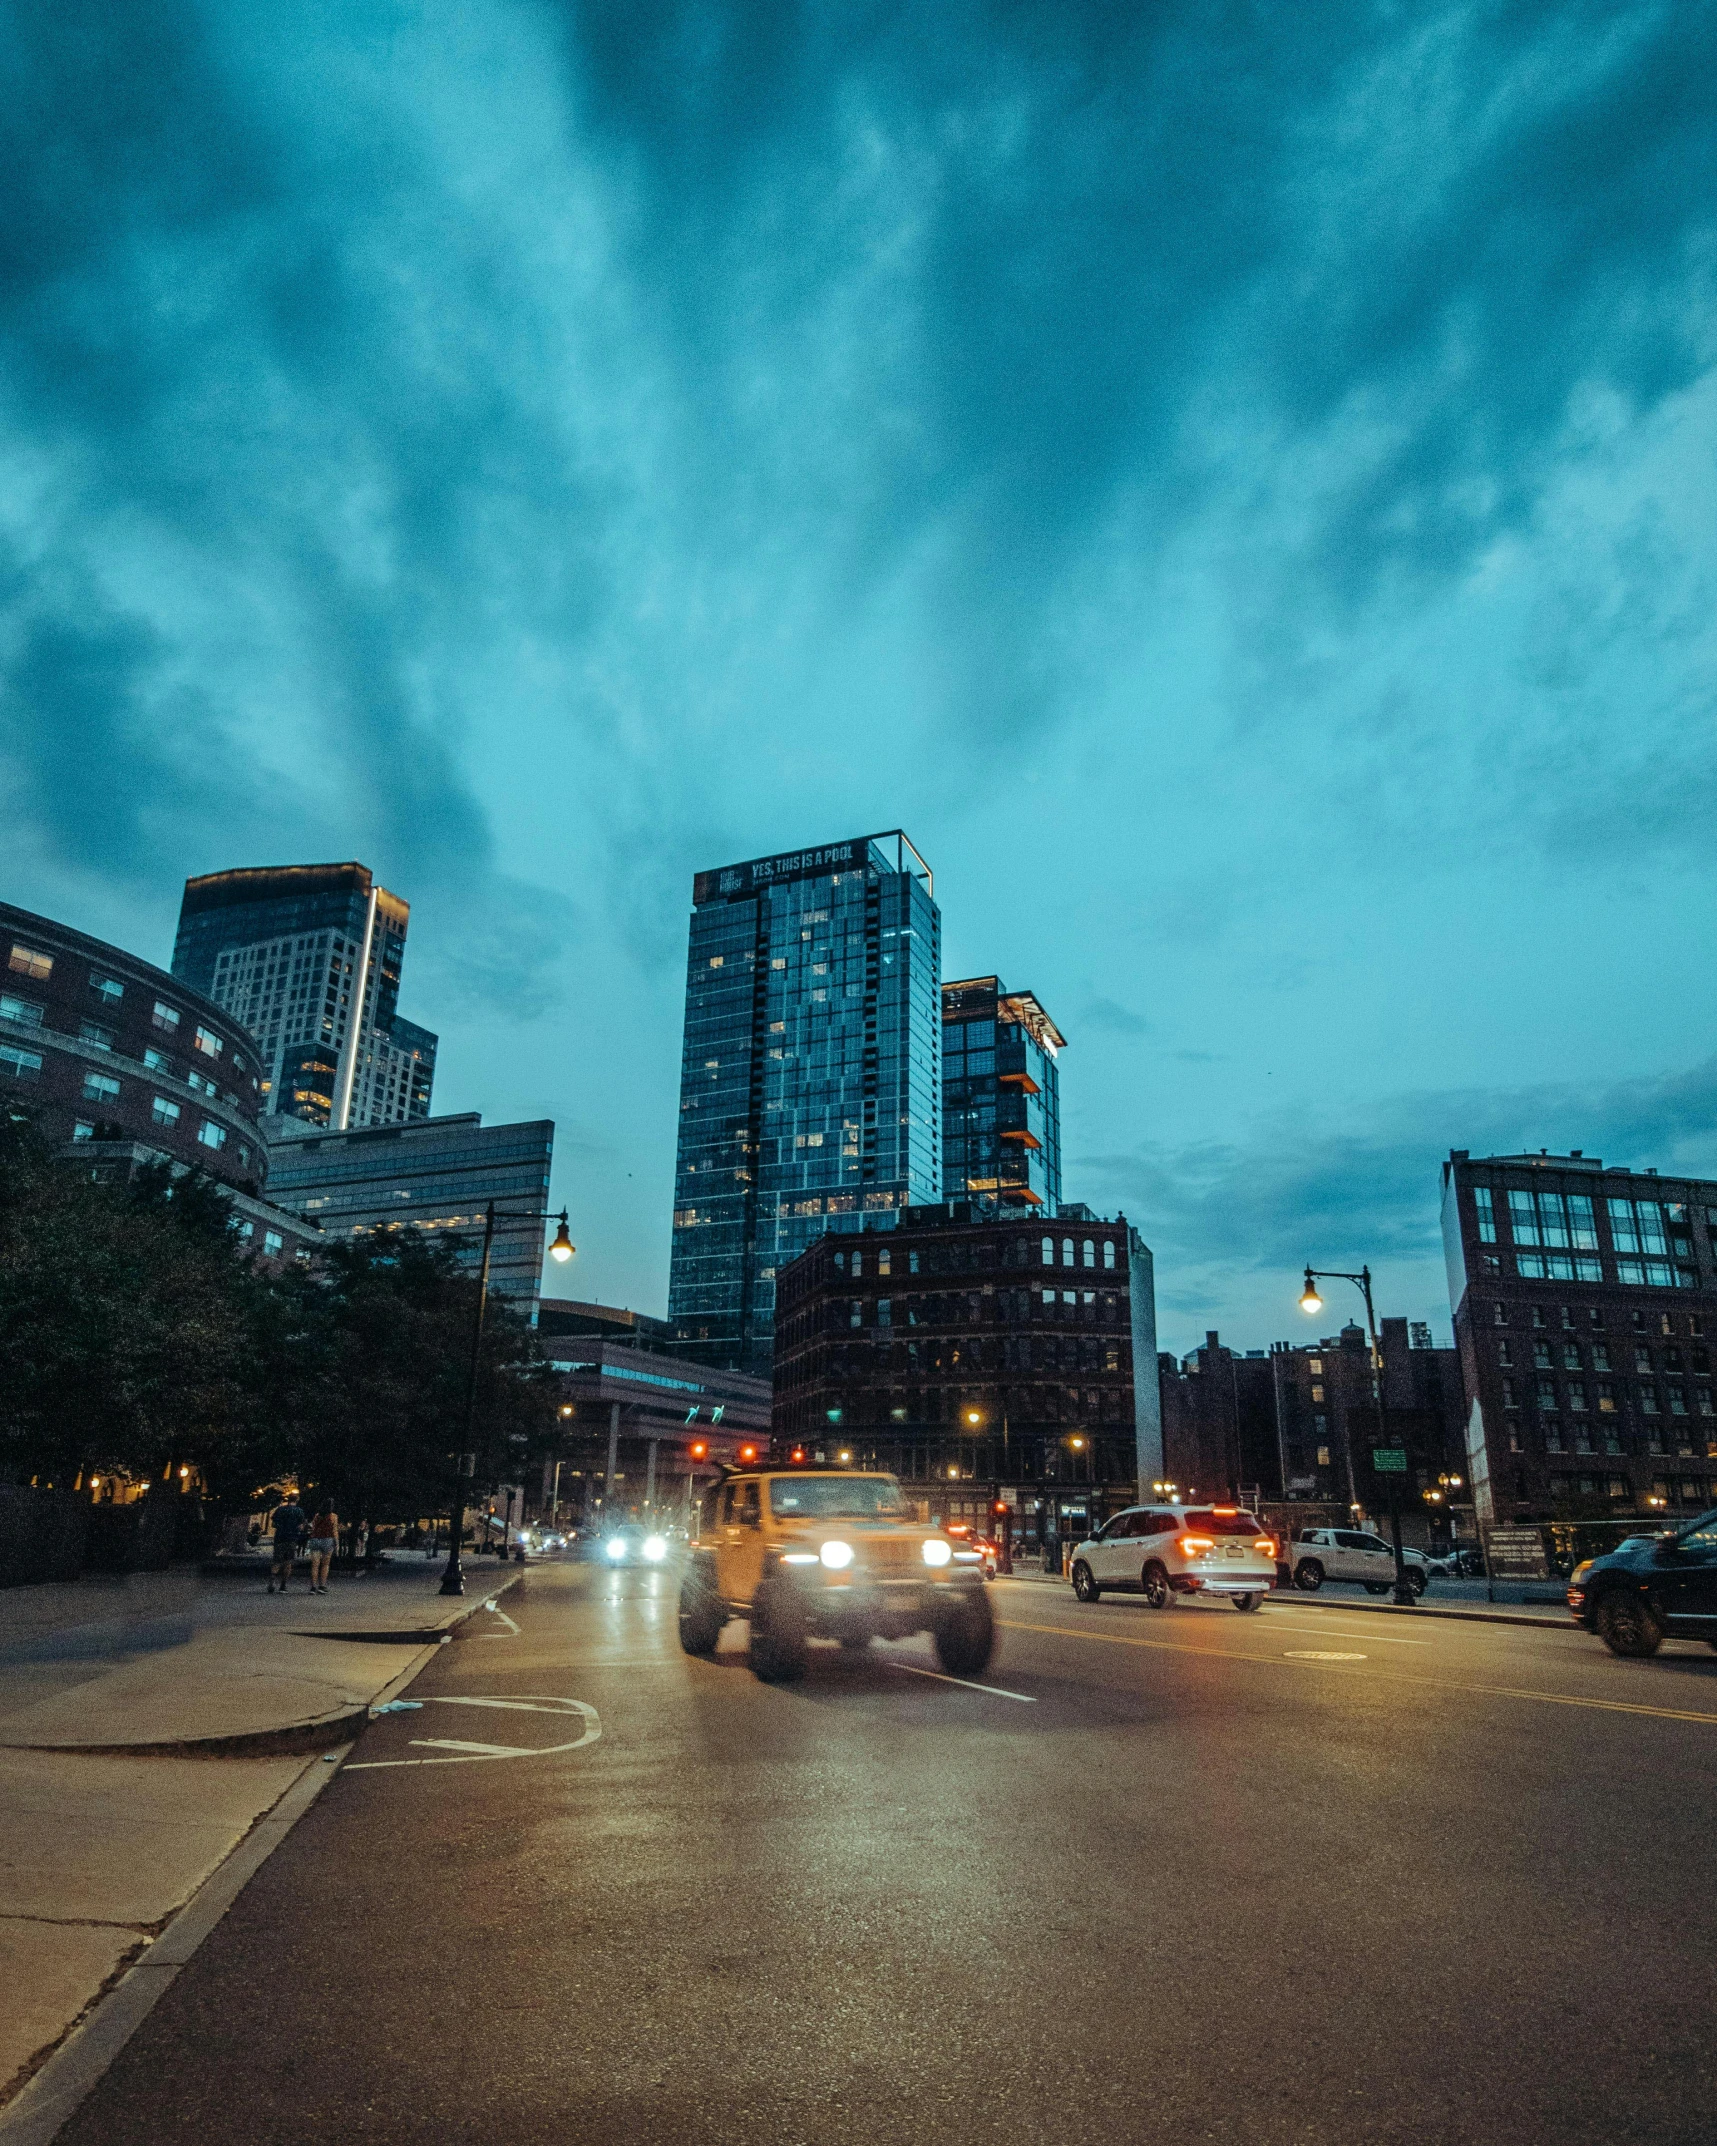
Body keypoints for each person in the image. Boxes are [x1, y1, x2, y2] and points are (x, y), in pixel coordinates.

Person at [268, 1496, 307, 1594]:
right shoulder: (299, 1511)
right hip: (292, 1538)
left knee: (276, 1560)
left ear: (288, 1500)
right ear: (297, 1500)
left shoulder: (280, 1509)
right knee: (288, 1562)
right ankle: (283, 1585)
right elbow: (301, 1526)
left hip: (280, 1538)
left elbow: (273, 1524)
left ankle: (272, 1580)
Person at [307, 1501, 339, 1594]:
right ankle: (322, 1586)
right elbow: (335, 1530)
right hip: (327, 1540)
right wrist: (337, 1543)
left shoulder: (317, 1515)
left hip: (315, 1539)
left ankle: (313, 1587)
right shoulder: (333, 1516)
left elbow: (312, 1527)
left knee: (315, 1565)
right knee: (325, 1564)